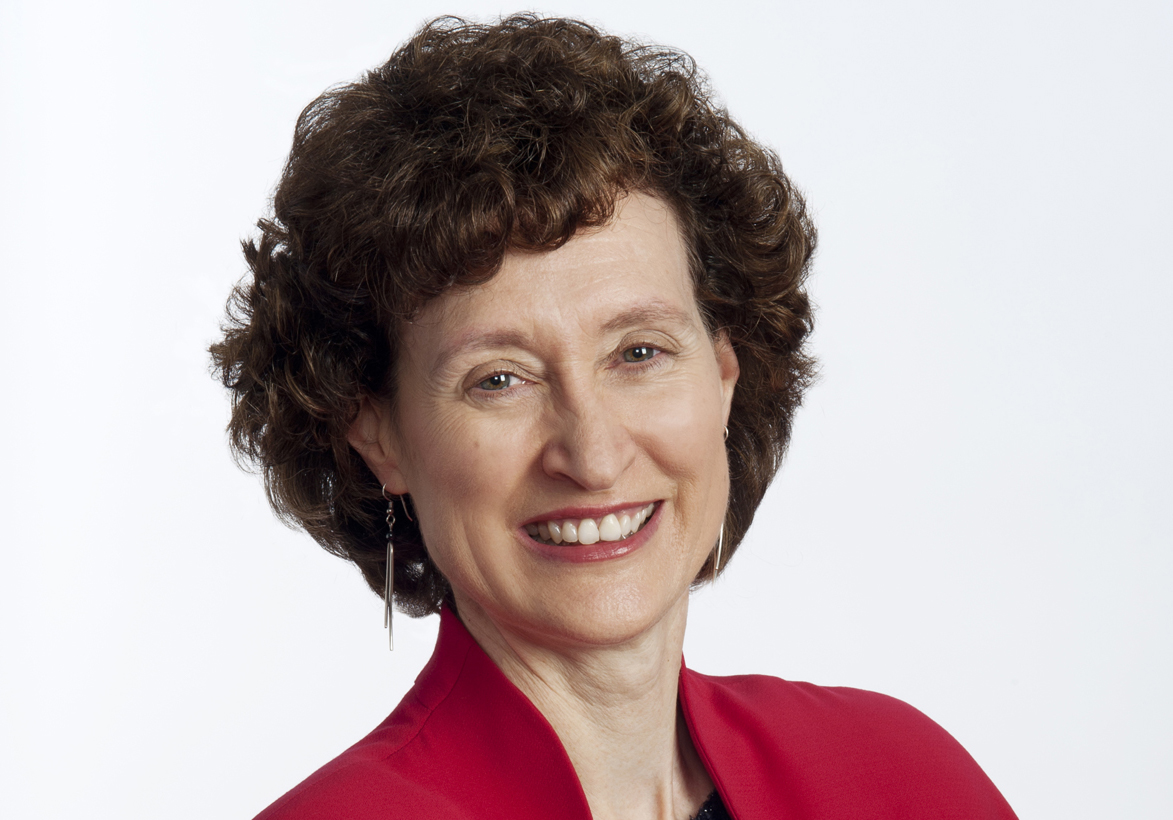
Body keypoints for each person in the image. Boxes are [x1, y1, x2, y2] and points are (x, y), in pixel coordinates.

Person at [211, 14, 1018, 820]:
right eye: (500, 378)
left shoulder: (901, 780)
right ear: (377, 435)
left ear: (725, 370)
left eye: (639, 353)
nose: (592, 456)